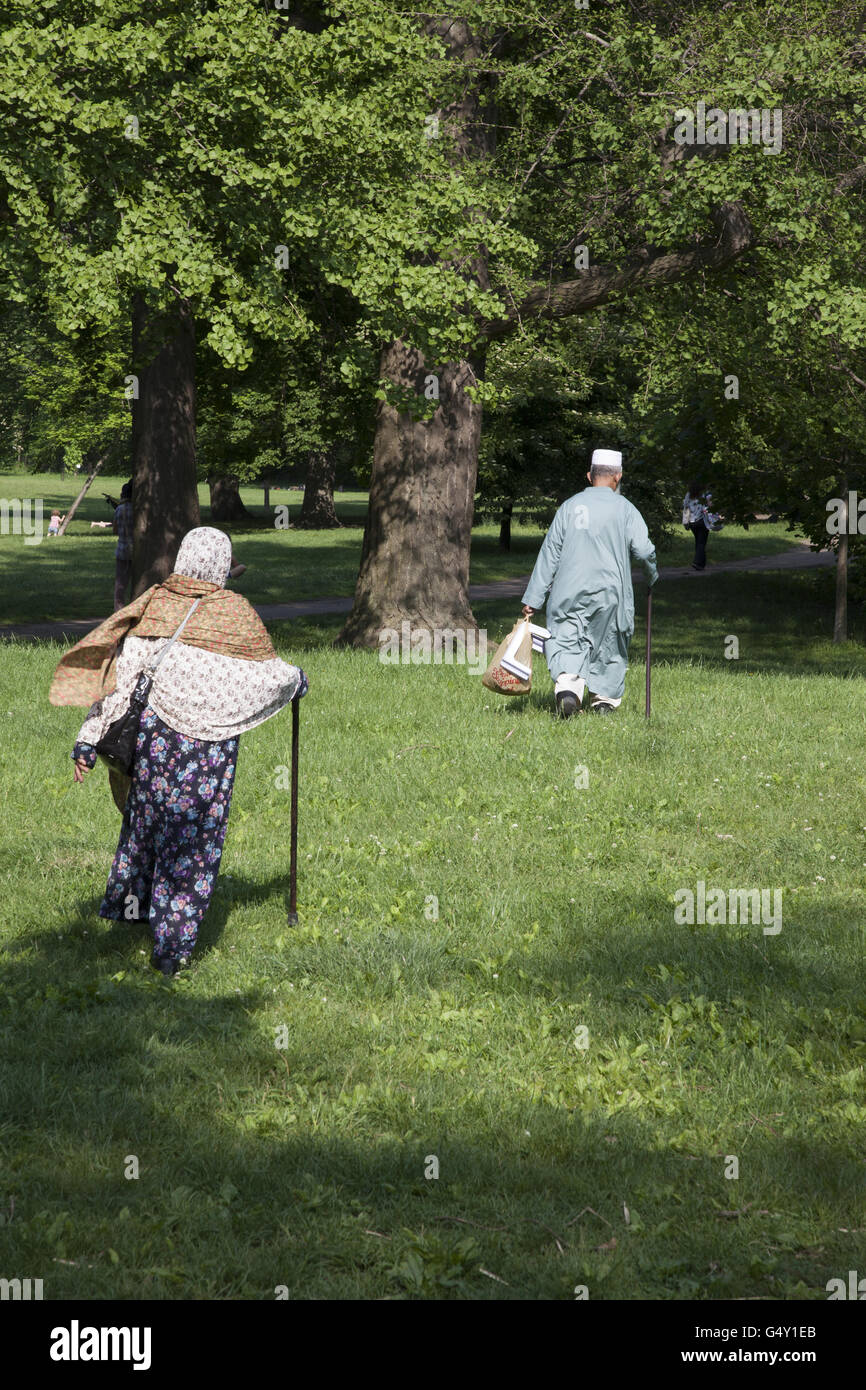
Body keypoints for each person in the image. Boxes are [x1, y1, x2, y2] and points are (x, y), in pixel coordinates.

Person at [50, 527, 309, 976]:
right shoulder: (235, 613)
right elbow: (268, 675)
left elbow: (124, 679)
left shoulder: (156, 604)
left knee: (146, 827)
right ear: (223, 564)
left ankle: (133, 915)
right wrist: (297, 681)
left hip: (154, 742)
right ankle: (171, 949)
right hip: (207, 755)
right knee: (192, 844)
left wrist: (89, 739)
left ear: (184, 557)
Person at [521, 448, 658, 718]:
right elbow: (643, 551)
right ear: (618, 477)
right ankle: (603, 701)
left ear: (589, 476)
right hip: (611, 592)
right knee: (609, 640)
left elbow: (549, 554)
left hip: (567, 590)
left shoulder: (569, 507)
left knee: (567, 637)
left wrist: (533, 599)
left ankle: (569, 692)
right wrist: (652, 574)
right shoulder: (626, 509)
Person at [681, 481, 721, 571]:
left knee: (698, 542)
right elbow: (711, 505)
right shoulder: (705, 494)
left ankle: (701, 564)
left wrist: (685, 522)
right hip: (702, 521)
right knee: (701, 543)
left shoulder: (688, 494)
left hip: (692, 522)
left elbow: (685, 507)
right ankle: (697, 562)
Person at [113, 481, 133, 610]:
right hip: (139, 551)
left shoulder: (120, 509)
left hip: (122, 549)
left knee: (120, 584)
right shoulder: (141, 508)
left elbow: (115, 530)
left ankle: (118, 611)